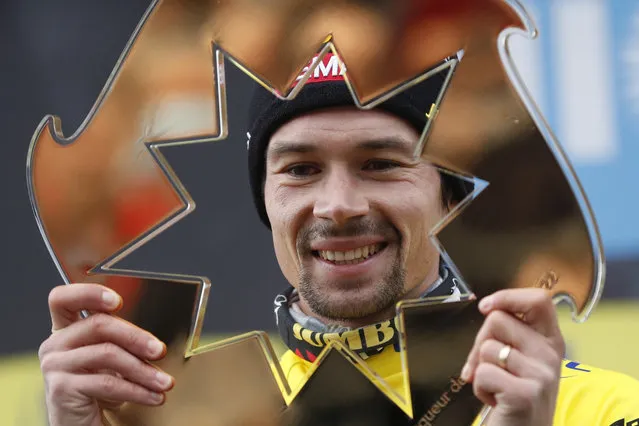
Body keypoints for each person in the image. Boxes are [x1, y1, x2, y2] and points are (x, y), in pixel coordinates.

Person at [38, 53, 639, 426]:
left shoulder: (604, 410)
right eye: (300, 170)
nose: (340, 205)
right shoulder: (195, 412)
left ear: (449, 199)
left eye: (381, 163)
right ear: (266, 205)